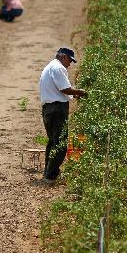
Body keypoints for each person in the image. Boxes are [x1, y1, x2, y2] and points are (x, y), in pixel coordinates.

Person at [38, 48, 87, 184]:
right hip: (57, 109)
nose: (70, 64)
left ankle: (48, 173)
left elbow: (61, 90)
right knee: (60, 144)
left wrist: (74, 94)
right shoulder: (58, 68)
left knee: (53, 142)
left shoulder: (50, 67)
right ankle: (51, 176)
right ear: (64, 57)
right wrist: (83, 92)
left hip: (48, 109)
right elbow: (64, 89)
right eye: (70, 60)